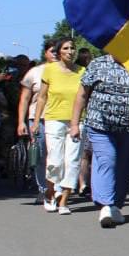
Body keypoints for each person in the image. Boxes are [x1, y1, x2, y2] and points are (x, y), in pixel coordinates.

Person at [70, 54, 129, 228]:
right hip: (100, 125)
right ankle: (105, 205)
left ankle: (116, 205)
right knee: (106, 160)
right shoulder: (98, 64)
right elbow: (82, 95)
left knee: (124, 166)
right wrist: (74, 123)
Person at [32, 38, 85, 214]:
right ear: (59, 52)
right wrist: (36, 120)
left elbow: (86, 97)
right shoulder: (50, 70)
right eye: (66, 48)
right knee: (55, 161)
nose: (70, 51)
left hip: (77, 121)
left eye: (73, 48)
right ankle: (50, 192)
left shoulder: (82, 71)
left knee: (72, 161)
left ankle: (64, 201)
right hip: (54, 119)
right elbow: (42, 96)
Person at [17, 41, 57, 202]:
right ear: (45, 53)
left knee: (58, 157)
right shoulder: (34, 72)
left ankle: (57, 188)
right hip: (38, 119)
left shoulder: (68, 71)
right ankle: (43, 189)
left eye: (57, 51)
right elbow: (25, 99)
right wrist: (21, 122)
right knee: (41, 155)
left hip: (60, 118)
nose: (55, 54)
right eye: (52, 51)